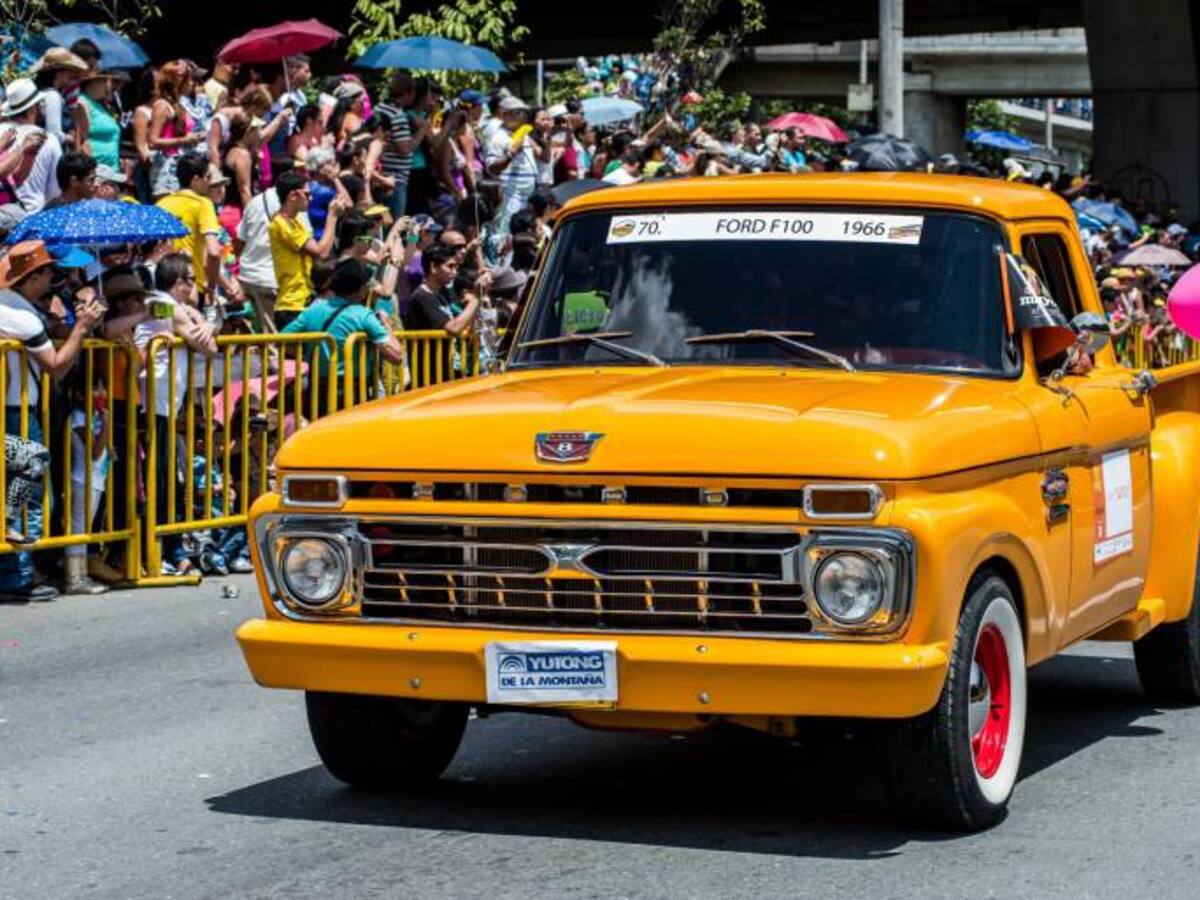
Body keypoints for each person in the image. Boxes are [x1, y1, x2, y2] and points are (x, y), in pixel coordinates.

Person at [0, 240, 104, 602]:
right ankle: (16, 577)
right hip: (17, 413)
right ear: (34, 276)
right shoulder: (21, 316)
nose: (53, 281)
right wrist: (82, 328)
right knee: (26, 498)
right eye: (49, 274)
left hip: (16, 410)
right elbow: (56, 367)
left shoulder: (14, 307)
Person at [135, 253, 218, 576]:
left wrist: (203, 321)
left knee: (168, 480)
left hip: (164, 403)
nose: (194, 286)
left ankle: (168, 551)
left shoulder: (172, 306)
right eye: (191, 279)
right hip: (152, 403)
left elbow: (203, 335)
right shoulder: (164, 304)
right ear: (179, 283)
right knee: (160, 482)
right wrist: (206, 322)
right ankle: (162, 552)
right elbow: (208, 346)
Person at [281, 257, 404, 412]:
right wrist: (386, 325)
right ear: (360, 288)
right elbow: (396, 356)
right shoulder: (363, 315)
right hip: (352, 395)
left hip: (318, 392)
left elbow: (282, 340)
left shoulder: (313, 310)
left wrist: (309, 354)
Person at [268, 169, 349, 329]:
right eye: (306, 194)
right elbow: (321, 252)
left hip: (305, 302)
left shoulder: (295, 221)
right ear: (292, 196)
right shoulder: (280, 223)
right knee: (293, 355)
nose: (310, 198)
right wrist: (332, 216)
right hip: (292, 306)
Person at [156, 153, 241, 304]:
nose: (209, 183)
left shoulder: (161, 204)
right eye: (207, 177)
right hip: (192, 287)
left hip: (164, 287)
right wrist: (212, 288)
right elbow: (213, 253)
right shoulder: (203, 204)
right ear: (196, 179)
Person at [62, 364, 110, 595]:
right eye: (95, 388)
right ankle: (74, 578)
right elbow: (95, 452)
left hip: (95, 480)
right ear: (80, 394)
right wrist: (107, 425)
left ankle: (81, 575)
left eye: (103, 388)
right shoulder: (79, 417)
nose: (101, 393)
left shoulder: (91, 416)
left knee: (84, 528)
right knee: (78, 529)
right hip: (83, 480)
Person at [486, 96, 541, 236]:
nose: (522, 116)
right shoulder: (499, 138)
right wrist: (511, 154)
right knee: (507, 231)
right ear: (505, 115)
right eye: (518, 112)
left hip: (526, 194)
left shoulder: (523, 135)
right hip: (511, 194)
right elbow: (492, 167)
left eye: (523, 112)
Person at [2, 79, 58, 214]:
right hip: (31, 216)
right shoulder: (50, 139)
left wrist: (29, 154)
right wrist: (22, 148)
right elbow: (54, 190)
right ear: (34, 109)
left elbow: (15, 179)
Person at [147, 61, 203, 199]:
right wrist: (184, 140)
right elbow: (152, 141)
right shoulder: (162, 106)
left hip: (180, 168)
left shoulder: (179, 105)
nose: (191, 83)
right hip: (166, 171)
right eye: (187, 79)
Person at [374, 70, 416, 220]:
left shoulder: (379, 108)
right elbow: (404, 149)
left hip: (381, 174)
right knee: (393, 225)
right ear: (407, 93)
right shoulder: (398, 115)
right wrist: (422, 131)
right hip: (394, 179)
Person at [29, 48, 88, 143]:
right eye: (69, 71)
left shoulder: (42, 92)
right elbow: (54, 134)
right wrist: (71, 139)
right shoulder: (52, 97)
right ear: (58, 73)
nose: (72, 74)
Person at [71, 71, 122, 170]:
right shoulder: (82, 103)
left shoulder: (100, 105)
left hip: (111, 168)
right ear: (93, 83)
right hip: (96, 168)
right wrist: (92, 168)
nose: (108, 85)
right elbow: (81, 141)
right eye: (104, 81)